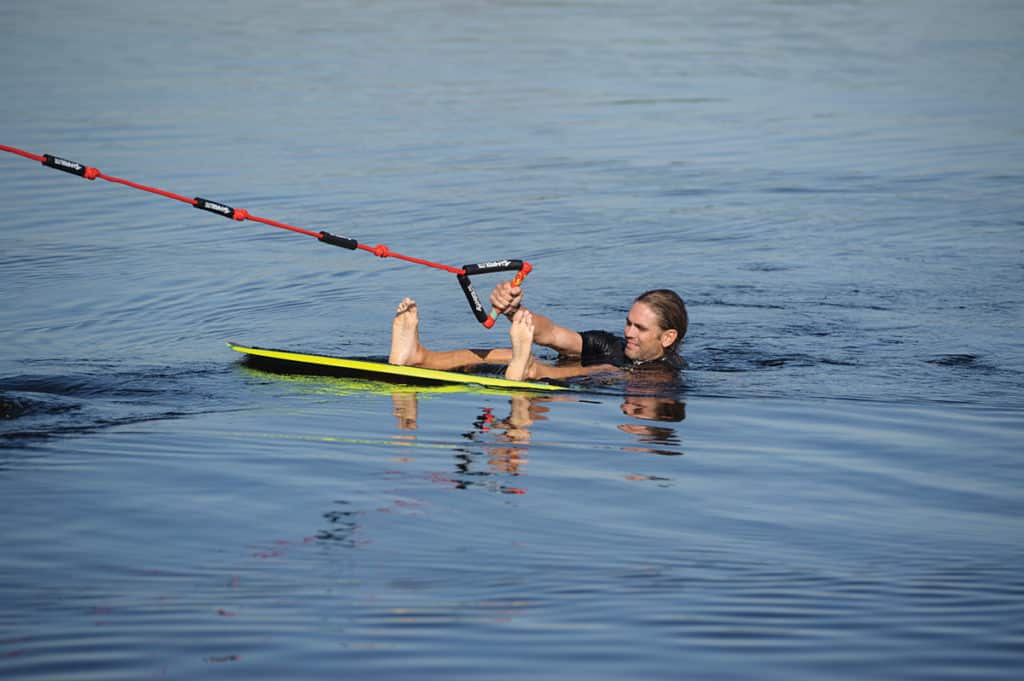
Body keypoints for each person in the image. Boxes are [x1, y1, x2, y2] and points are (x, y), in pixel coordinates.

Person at [388, 282, 687, 382]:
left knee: (609, 371)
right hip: (549, 371)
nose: (629, 332)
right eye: (628, 323)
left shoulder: (669, 376)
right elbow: (552, 334)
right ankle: (419, 356)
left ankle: (529, 368)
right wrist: (513, 311)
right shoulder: (613, 345)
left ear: (667, 337)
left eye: (640, 328)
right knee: (508, 353)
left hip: (579, 384)